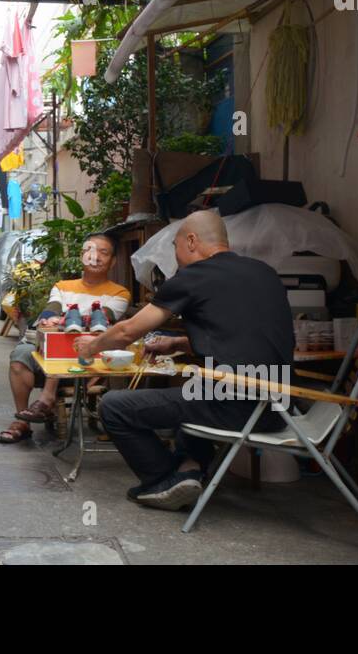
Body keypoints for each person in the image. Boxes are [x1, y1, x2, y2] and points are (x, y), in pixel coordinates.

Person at [72, 210, 294, 510]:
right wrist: (177, 343)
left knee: (113, 406)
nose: (175, 256)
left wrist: (91, 347)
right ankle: (190, 469)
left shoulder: (193, 276)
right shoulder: (264, 272)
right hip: (279, 405)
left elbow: (127, 331)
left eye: (175, 247)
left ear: (191, 241)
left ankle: (165, 480)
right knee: (192, 391)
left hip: (235, 405)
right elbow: (240, 333)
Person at [0, 233, 131, 443]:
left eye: (103, 252)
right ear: (81, 256)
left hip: (89, 359)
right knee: (21, 354)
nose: (94, 257)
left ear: (113, 261)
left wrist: (62, 320)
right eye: (89, 251)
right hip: (52, 356)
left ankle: (46, 399)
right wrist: (51, 318)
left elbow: (102, 320)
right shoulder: (62, 286)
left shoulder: (119, 293)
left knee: (73, 337)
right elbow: (51, 311)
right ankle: (23, 421)